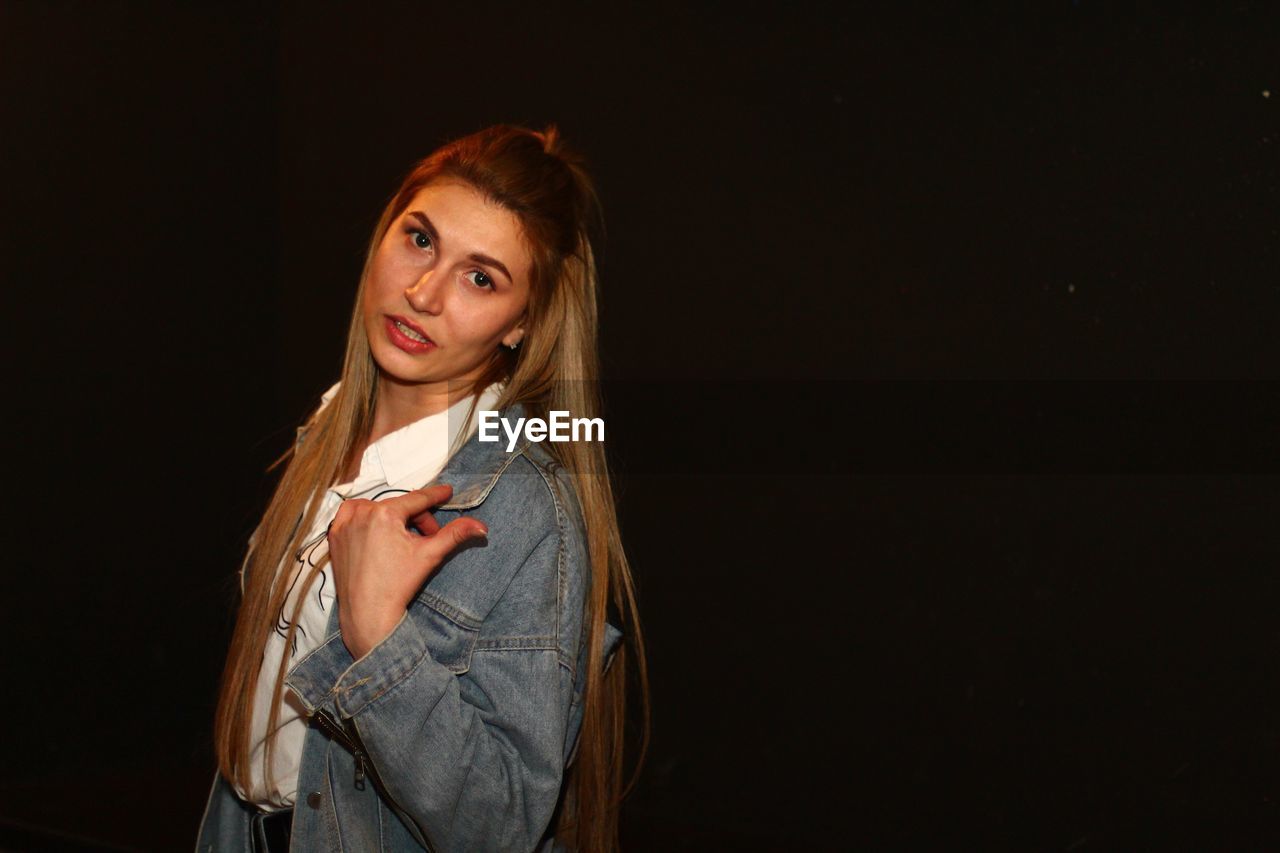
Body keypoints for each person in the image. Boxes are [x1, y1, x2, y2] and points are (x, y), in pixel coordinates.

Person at [195, 124, 649, 852]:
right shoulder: (330, 425)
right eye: (420, 239)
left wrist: (379, 639)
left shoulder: (526, 509)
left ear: (522, 324)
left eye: (481, 278)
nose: (422, 291)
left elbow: (501, 825)